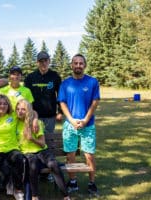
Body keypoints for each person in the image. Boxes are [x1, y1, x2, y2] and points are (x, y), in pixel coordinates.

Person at [57, 54, 100, 195]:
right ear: (71, 65)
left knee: (90, 156)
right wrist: (71, 120)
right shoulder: (65, 84)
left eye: (81, 63)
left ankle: (92, 183)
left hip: (88, 124)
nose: (78, 65)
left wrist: (86, 120)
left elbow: (95, 102)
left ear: (85, 65)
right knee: (70, 155)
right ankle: (73, 182)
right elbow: (62, 103)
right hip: (70, 125)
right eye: (75, 63)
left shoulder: (93, 82)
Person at [16, 99, 70, 200]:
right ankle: (35, 196)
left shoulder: (37, 123)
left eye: (23, 109)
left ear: (28, 111)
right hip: (27, 153)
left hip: (42, 151)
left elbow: (42, 144)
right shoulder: (15, 123)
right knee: (33, 165)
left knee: (53, 164)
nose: (19, 111)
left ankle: (66, 196)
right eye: (18, 109)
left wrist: (32, 139)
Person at [0, 94, 26, 200]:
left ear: (8, 105)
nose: (2, 106)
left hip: (11, 149)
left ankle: (18, 190)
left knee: (19, 159)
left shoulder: (13, 116)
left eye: (5, 104)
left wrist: (34, 119)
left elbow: (30, 111)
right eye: (0, 103)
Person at [24, 51, 62, 134]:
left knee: (49, 139)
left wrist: (60, 111)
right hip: (34, 115)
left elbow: (60, 94)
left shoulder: (55, 76)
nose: (44, 63)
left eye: (46, 61)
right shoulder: (30, 77)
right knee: (36, 139)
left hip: (50, 115)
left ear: (49, 61)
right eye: (41, 61)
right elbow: (26, 97)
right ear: (37, 62)